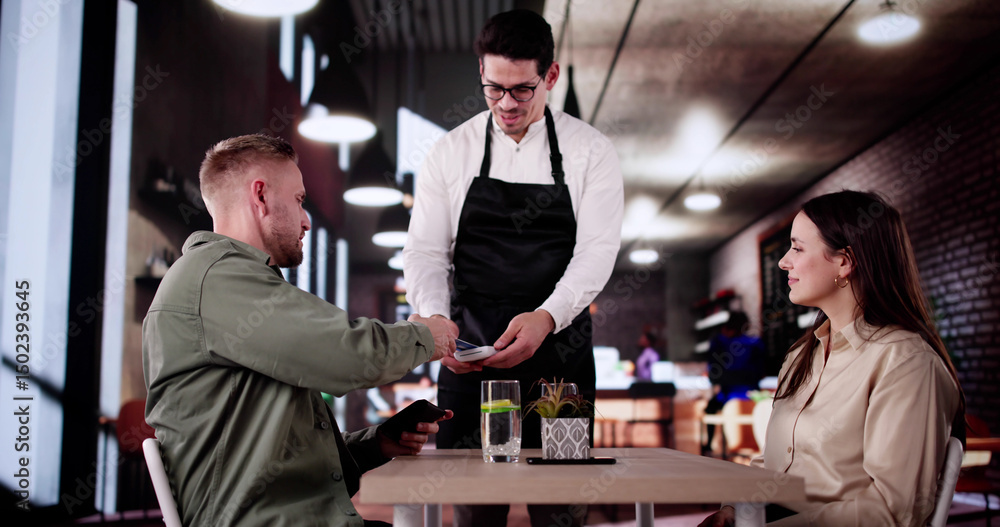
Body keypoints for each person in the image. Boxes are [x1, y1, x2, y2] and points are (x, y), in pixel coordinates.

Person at [142, 134, 458, 527]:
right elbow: (346, 354)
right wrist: (427, 335)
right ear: (260, 196)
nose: (306, 220)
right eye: (299, 200)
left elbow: (282, 462)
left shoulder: (227, 279)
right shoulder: (220, 279)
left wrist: (377, 443)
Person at [402, 9, 623, 527]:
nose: (506, 103)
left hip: (560, 365)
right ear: (481, 72)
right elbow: (426, 252)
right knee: (475, 512)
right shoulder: (449, 152)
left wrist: (546, 316)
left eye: (522, 89)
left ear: (551, 76)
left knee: (562, 511)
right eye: (493, 88)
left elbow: (596, 252)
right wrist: (435, 321)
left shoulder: (591, 151)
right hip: (471, 360)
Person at [699, 190, 965, 526]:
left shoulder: (906, 363)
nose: (783, 262)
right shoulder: (800, 356)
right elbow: (772, 466)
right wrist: (733, 511)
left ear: (844, 261)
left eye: (797, 248)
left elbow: (892, 512)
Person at [701, 311, 765, 454]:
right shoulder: (756, 343)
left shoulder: (719, 343)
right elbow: (761, 373)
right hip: (753, 397)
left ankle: (709, 445)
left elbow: (713, 376)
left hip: (727, 397)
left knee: (710, 408)